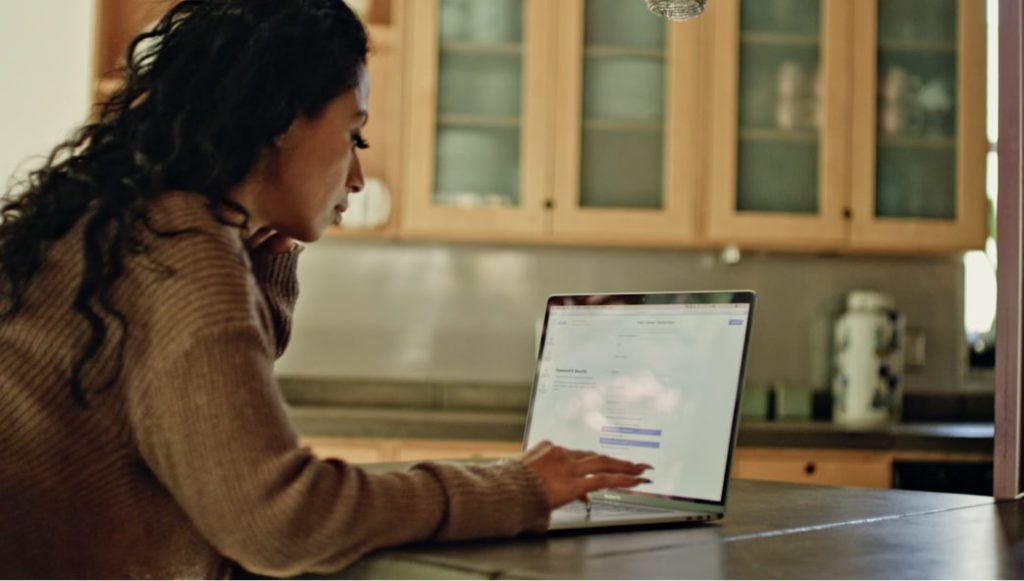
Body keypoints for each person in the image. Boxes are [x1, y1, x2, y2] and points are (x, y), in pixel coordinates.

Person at [0, 0, 651, 578]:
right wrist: (518, 486)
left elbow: (211, 432)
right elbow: (279, 521)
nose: (358, 175)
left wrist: (268, 252)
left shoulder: (129, 223)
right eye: (353, 134)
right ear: (280, 119)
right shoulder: (182, 251)